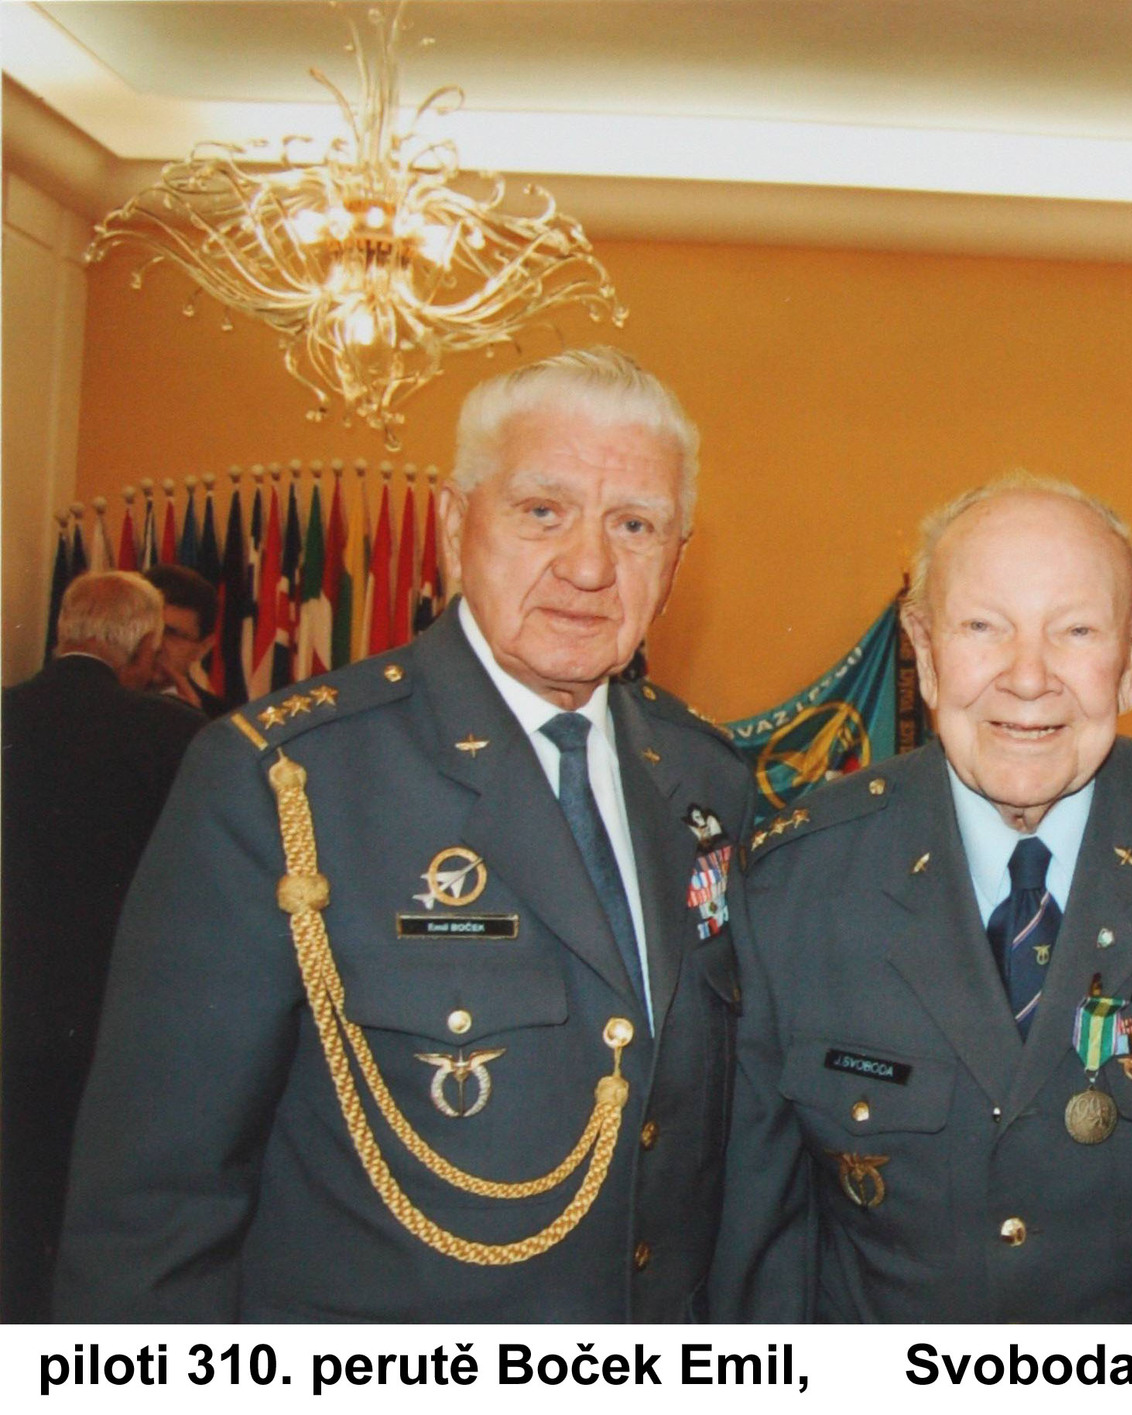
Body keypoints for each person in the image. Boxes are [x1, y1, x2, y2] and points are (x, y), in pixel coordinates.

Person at [57, 348, 754, 1321]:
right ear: (453, 526)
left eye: (634, 525)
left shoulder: (706, 783)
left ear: (675, 560)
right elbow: (155, 1207)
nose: (590, 566)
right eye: (542, 510)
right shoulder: (283, 782)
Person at [711, 475, 1132, 1322]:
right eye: (983, 627)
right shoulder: (794, 885)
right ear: (924, 649)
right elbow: (759, 1244)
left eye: (1076, 630)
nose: (1028, 678)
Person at [2, 571, 203, 1322]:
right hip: (111, 1018)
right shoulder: (171, 733)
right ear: (148, 646)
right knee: (90, 1210)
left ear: (64, 630)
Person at [143, 563, 227, 718]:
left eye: (171, 633)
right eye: (148, 628)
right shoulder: (98, 701)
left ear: (203, 647)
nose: (156, 644)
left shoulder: (221, 720)